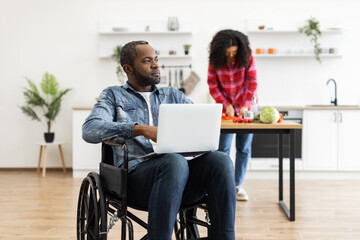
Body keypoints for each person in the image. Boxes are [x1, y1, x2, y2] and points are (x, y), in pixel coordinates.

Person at [82, 40, 236, 240]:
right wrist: (139, 130)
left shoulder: (172, 95)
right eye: (147, 61)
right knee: (173, 161)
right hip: (135, 179)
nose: (155, 65)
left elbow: (199, 123)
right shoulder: (113, 95)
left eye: (156, 59)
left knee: (220, 160)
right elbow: (90, 130)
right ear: (128, 68)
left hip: (181, 176)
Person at [207, 29, 258, 201]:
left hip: (246, 107)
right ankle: (223, 185)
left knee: (243, 148)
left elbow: (252, 83)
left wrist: (245, 104)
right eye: (227, 53)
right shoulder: (214, 61)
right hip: (224, 109)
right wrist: (226, 104)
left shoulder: (247, 57)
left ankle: (237, 186)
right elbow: (212, 85)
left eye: (234, 53)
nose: (230, 56)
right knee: (222, 149)